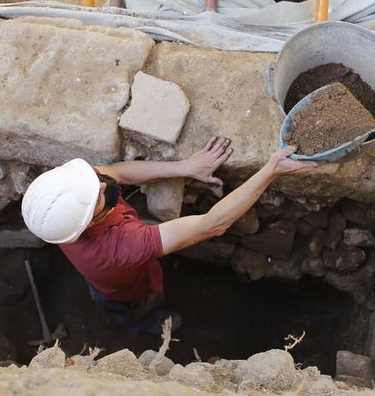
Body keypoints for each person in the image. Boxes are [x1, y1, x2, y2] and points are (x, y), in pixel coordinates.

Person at [21, 136, 312, 335]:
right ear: (87, 222)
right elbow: (213, 224)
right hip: (124, 293)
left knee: (109, 290)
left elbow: (116, 173)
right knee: (136, 308)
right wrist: (270, 171)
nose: (100, 186)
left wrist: (186, 168)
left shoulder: (72, 195)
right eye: (95, 199)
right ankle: (142, 323)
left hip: (104, 279)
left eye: (93, 183)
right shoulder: (121, 246)